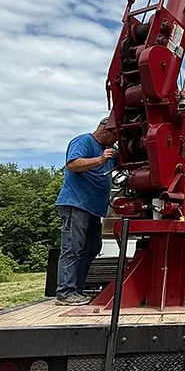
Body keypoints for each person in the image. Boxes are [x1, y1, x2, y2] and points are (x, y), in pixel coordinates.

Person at [54, 118, 119, 305]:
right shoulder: (83, 141)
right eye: (115, 135)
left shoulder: (111, 150)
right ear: (105, 130)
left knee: (92, 247)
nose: (116, 142)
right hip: (76, 204)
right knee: (73, 248)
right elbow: (73, 164)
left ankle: (77, 290)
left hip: (93, 209)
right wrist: (100, 159)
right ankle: (65, 293)